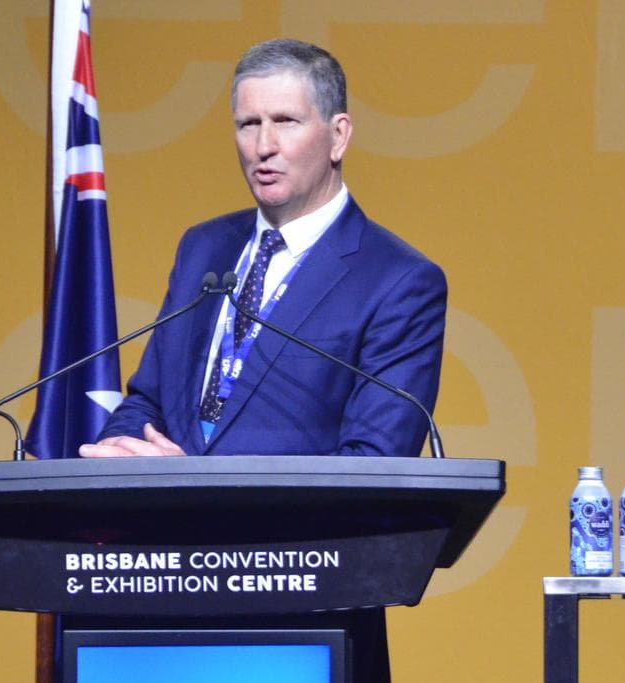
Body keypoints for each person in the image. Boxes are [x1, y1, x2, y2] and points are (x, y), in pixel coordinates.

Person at [79, 38, 447, 460]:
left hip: (297, 529)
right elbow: (149, 401)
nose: (263, 146)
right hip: (167, 526)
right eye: (248, 124)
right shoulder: (203, 249)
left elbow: (372, 465)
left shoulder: (398, 282)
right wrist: (115, 452)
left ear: (338, 136)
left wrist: (197, 490)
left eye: (286, 121)